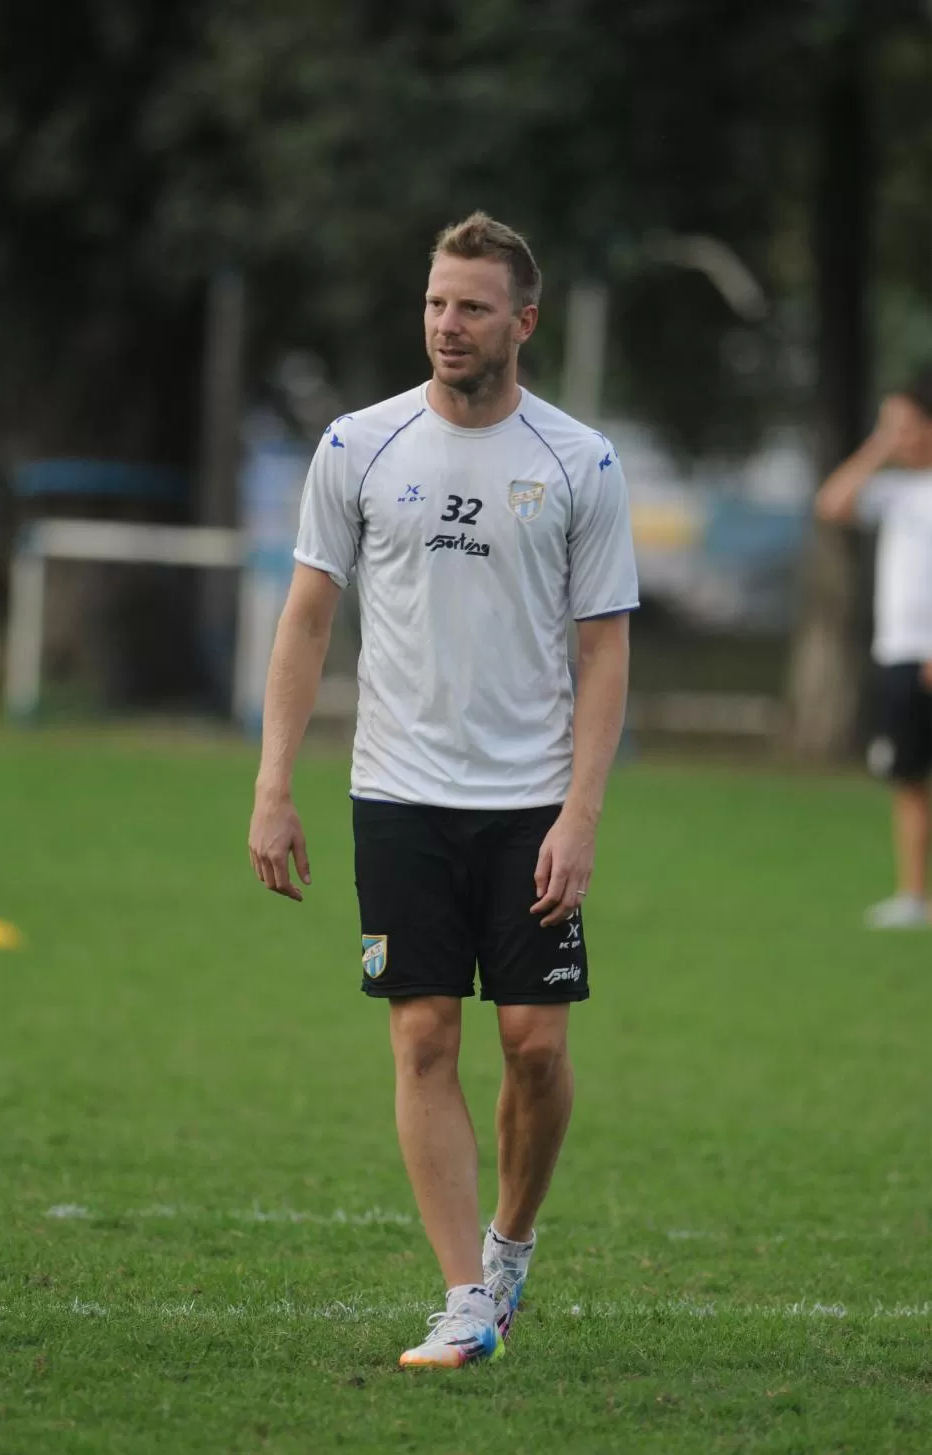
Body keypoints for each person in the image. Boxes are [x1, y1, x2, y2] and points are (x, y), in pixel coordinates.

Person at [248, 212, 639, 1366]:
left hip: (529, 800)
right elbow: (308, 618)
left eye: (470, 306)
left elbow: (606, 651)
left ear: (523, 321)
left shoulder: (580, 462)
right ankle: (467, 1293)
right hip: (399, 794)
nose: (446, 325)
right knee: (422, 1037)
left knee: (533, 1051)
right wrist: (274, 784)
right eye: (433, 304)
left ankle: (511, 1245)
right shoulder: (357, 447)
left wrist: (580, 815)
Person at [815, 370, 932, 929]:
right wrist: (881, 444)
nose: (898, 436)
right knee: (908, 777)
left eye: (907, 426)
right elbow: (832, 503)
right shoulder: (896, 491)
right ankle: (912, 896)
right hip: (898, 654)